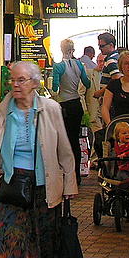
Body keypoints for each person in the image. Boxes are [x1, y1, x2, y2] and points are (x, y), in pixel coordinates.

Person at [0, 61, 77, 258]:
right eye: (12, 80)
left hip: (43, 185)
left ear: (35, 83)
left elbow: (65, 151)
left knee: (44, 240)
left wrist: (69, 186)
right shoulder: (1, 111)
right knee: (10, 240)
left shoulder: (51, 109)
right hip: (11, 184)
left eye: (21, 80)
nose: (15, 85)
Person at [51, 39, 91, 184]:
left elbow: (54, 89)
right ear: (73, 50)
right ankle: (76, 175)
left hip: (64, 105)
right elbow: (87, 83)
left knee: (64, 140)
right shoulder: (80, 65)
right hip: (76, 105)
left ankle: (65, 173)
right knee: (75, 139)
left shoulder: (58, 67)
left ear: (61, 49)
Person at [92, 32, 122, 102]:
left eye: (102, 46)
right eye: (99, 46)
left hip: (111, 99)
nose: (99, 48)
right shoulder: (117, 57)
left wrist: (100, 92)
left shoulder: (111, 61)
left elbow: (116, 80)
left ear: (111, 45)